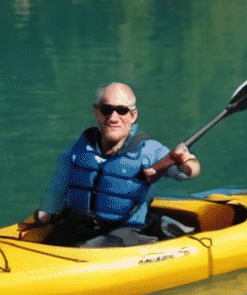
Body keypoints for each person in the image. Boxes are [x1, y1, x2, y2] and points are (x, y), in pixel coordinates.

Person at [32, 82, 200, 247]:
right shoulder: (76, 152)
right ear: (96, 112)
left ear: (133, 115)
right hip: (78, 226)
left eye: (122, 110)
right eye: (106, 110)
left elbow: (186, 173)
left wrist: (185, 160)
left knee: (87, 246)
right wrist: (47, 212)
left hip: (124, 232)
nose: (113, 118)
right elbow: (56, 189)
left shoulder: (149, 151)